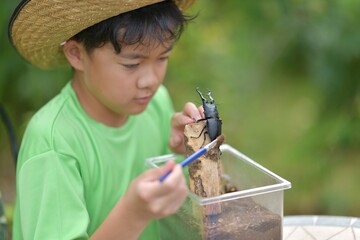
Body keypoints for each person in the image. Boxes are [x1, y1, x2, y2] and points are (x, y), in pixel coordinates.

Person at [8, 0, 203, 239]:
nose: (150, 80)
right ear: (76, 54)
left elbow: (178, 214)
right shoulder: (54, 142)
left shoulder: (156, 104)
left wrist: (184, 154)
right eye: (131, 64)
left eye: (163, 58)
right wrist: (133, 213)